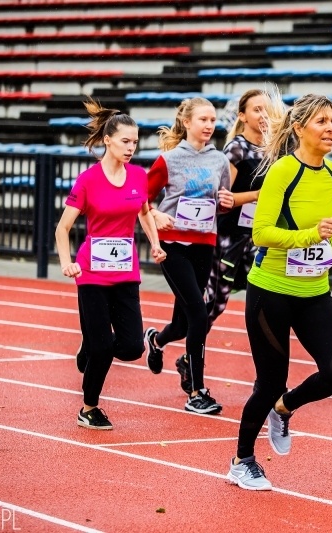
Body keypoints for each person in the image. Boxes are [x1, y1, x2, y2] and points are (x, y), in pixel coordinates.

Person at [226, 93, 332, 491]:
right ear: (299, 128)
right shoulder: (283, 170)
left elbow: (321, 229)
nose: (330, 128)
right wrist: (311, 237)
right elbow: (262, 232)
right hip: (271, 290)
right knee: (270, 379)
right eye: (321, 121)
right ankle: (242, 460)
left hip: (314, 290)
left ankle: (284, 409)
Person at [55, 97, 165, 431]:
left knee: (132, 347)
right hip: (91, 273)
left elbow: (144, 213)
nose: (131, 147)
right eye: (125, 141)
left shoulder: (138, 176)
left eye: (135, 142)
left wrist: (156, 245)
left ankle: (91, 345)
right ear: (107, 140)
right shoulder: (88, 180)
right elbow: (63, 227)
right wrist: (66, 263)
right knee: (103, 347)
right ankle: (89, 407)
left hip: (125, 273)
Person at [143, 97, 234, 415]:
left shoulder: (219, 160)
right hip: (173, 244)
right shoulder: (169, 160)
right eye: (203, 120)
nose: (209, 126)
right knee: (199, 313)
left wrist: (225, 201)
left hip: (204, 243)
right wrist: (155, 216)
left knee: (182, 324)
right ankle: (197, 391)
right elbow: (142, 200)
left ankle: (156, 340)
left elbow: (222, 201)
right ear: (186, 123)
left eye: (212, 120)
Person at [201, 88, 270, 335]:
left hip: (258, 235)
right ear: (242, 116)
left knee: (268, 296)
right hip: (229, 236)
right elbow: (221, 200)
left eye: (267, 109)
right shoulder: (236, 149)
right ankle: (185, 352)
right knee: (215, 304)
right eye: (257, 110)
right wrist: (256, 196)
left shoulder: (274, 150)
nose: (264, 115)